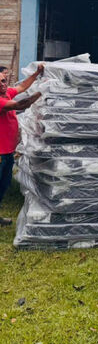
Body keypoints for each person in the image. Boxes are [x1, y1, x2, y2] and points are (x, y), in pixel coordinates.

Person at [0, 64, 44, 226]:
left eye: (3, 80)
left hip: (8, 153)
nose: (3, 84)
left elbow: (23, 86)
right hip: (0, 154)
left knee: (3, 185)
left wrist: (37, 73)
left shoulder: (7, 93)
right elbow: (20, 105)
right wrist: (43, 92)